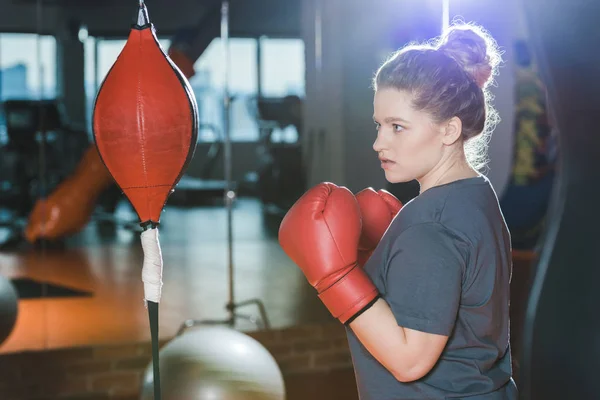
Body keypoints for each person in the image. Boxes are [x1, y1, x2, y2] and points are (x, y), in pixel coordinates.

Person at [279, 22, 518, 399]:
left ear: (448, 130)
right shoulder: (478, 195)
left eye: (397, 127)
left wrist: (336, 278)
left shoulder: (429, 227)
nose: (378, 142)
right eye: (379, 125)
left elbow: (410, 361)